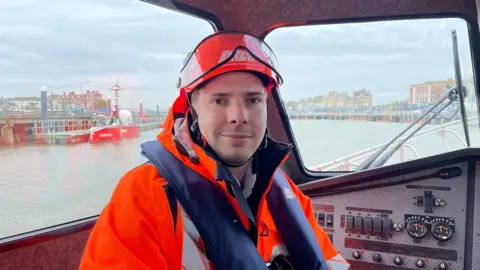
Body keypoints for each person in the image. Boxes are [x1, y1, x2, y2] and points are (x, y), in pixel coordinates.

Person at [80, 31, 350, 270]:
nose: (239, 116)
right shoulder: (143, 199)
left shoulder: (287, 194)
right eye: (220, 100)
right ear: (192, 110)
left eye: (252, 100)